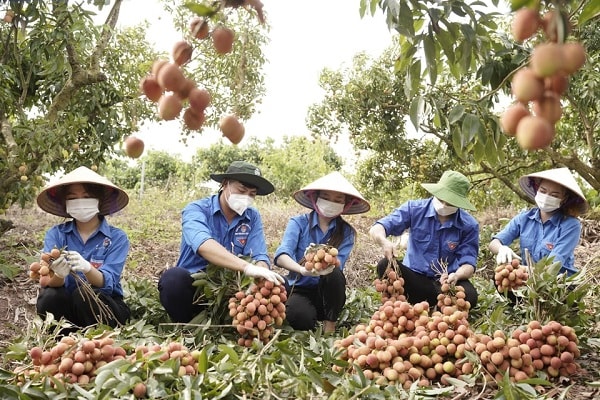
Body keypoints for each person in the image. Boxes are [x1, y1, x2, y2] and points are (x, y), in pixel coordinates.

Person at [158, 161, 284, 323]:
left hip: (231, 293)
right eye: (241, 190)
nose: (246, 198)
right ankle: (185, 323)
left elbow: (259, 255)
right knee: (173, 280)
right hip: (193, 291)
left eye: (252, 194)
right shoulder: (196, 209)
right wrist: (246, 267)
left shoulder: (252, 216)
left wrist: (262, 274)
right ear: (225, 184)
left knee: (280, 284)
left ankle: (238, 324)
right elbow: (203, 244)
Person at [35, 166, 131, 328]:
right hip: (68, 310)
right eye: (72, 198)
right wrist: (59, 273)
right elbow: (50, 281)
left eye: (87, 196)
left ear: (99, 201)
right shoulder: (57, 235)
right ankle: (61, 339)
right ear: (65, 203)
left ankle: (98, 338)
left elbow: (108, 282)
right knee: (49, 296)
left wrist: (87, 268)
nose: (79, 202)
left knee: (85, 293)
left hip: (104, 309)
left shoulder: (117, 238)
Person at [274, 172, 370, 333]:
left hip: (327, 292)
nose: (331, 203)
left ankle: (329, 322)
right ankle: (307, 312)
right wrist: (302, 270)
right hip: (299, 287)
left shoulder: (346, 232)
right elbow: (282, 256)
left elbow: (336, 267)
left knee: (334, 273)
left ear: (346, 205)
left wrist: (323, 262)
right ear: (314, 198)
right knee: (300, 319)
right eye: (326, 197)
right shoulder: (298, 223)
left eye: (338, 200)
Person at [369, 170, 479, 309]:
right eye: (441, 199)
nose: (444, 205)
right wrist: (383, 241)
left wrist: (456, 276)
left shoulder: (469, 225)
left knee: (470, 297)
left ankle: (430, 305)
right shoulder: (414, 209)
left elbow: (469, 264)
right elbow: (378, 228)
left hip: (447, 282)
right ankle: (417, 304)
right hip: (416, 279)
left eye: (450, 202)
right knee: (385, 265)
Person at [489, 167, 589, 276]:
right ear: (537, 189)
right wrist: (501, 249)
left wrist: (518, 269)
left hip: (559, 281)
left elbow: (552, 266)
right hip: (528, 277)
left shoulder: (571, 225)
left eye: (554, 195)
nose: (546, 197)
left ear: (564, 199)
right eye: (543, 191)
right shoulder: (524, 218)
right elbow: (494, 242)